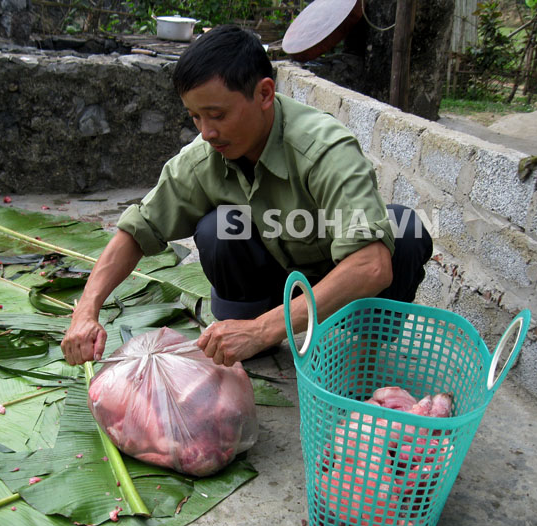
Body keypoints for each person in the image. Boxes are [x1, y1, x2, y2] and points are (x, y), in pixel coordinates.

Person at [61, 25, 432, 367]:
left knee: (406, 230)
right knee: (217, 229)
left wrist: (264, 327)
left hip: (342, 288)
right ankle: (251, 337)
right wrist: (85, 312)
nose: (206, 132)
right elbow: (137, 229)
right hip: (274, 283)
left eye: (216, 115)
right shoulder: (204, 156)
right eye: (194, 117)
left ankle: (359, 348)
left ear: (265, 94)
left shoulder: (323, 150)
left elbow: (370, 266)